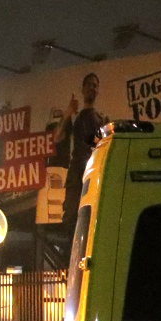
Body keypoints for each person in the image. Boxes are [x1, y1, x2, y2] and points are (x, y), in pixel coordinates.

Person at [58, 72, 108, 236]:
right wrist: (68, 112)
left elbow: (102, 145)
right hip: (77, 171)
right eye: (89, 85)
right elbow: (57, 137)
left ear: (97, 91)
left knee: (93, 214)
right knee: (71, 215)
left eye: (95, 86)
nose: (92, 88)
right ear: (83, 89)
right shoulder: (74, 116)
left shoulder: (101, 119)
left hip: (93, 171)